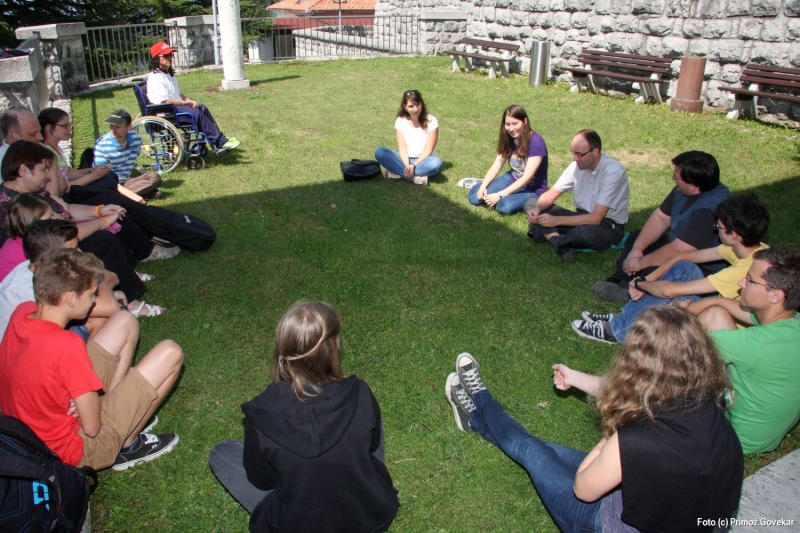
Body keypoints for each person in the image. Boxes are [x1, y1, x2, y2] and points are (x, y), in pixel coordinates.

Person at [446, 306, 743, 533]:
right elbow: (640, 394)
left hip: (603, 522)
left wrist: (611, 436)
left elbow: (583, 489)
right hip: (667, 509)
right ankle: (475, 420)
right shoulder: (706, 402)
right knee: (546, 451)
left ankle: (481, 399)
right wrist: (575, 378)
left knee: (532, 451)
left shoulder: (635, 441)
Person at [209, 301, 399, 533]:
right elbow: (372, 446)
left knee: (221, 452)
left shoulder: (261, 414)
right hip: (368, 517)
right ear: (333, 348)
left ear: (282, 352)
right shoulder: (359, 391)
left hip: (297, 524)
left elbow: (263, 481)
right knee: (368, 423)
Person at [0, 247, 184, 470]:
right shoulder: (66, 345)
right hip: (76, 450)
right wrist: (85, 404)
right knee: (171, 352)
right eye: (91, 295)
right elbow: (92, 428)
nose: (94, 300)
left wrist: (77, 399)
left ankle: (124, 412)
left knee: (125, 321)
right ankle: (128, 444)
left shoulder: (23, 312)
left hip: (32, 435)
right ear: (71, 299)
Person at [572, 193, 769, 344]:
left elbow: (669, 290)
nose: (715, 230)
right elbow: (683, 256)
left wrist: (640, 284)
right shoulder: (747, 249)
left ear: (734, 234)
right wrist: (648, 279)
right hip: (721, 308)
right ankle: (623, 318)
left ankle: (617, 332)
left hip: (726, 327)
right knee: (684, 268)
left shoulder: (745, 269)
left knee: (678, 283)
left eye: (718, 227)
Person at [0, 141, 166, 317]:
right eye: (44, 169)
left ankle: (124, 277)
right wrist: (103, 221)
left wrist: (99, 211)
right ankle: (129, 300)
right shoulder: (14, 205)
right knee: (102, 240)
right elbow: (57, 239)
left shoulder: (31, 194)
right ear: (23, 171)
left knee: (104, 216)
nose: (48, 175)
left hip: (50, 256)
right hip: (41, 269)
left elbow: (65, 209)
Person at [678, 248, 800, 454]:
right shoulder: (791, 323)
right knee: (715, 314)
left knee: (672, 368)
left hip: (731, 437)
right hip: (764, 436)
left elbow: (670, 341)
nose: (741, 283)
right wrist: (712, 301)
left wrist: (678, 313)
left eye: (750, 280)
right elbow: (722, 303)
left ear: (775, 295)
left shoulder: (754, 344)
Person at [593, 151, 731, 302]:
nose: (673, 179)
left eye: (676, 177)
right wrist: (637, 249)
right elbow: (661, 217)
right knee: (637, 237)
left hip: (701, 266)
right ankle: (622, 279)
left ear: (693, 186)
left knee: (662, 268)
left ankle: (635, 290)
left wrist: (641, 262)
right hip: (678, 246)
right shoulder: (683, 189)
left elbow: (679, 251)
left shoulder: (709, 210)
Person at [524, 130, 629, 262]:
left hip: (606, 225)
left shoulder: (613, 172)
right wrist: (537, 209)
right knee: (532, 203)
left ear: (595, 152)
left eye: (579, 154)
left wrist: (555, 221)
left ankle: (549, 234)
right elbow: (551, 193)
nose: (575, 158)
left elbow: (596, 218)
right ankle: (560, 243)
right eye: (573, 153)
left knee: (584, 233)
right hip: (580, 217)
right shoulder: (577, 166)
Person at [146, 42, 240, 154]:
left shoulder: (168, 75)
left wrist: (188, 100)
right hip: (165, 111)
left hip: (173, 107)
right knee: (196, 114)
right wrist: (185, 103)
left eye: (171, 55)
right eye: (166, 56)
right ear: (157, 58)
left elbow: (177, 94)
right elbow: (166, 100)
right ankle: (220, 142)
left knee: (202, 108)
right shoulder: (156, 78)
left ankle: (219, 138)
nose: (170, 58)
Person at [464, 104, 548, 215]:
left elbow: (527, 178)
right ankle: (481, 183)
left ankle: (502, 193)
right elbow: (497, 165)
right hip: (512, 178)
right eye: (507, 124)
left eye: (515, 123)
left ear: (525, 121)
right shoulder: (508, 138)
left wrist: (500, 194)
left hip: (532, 188)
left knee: (503, 206)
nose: (511, 129)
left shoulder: (536, 143)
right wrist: (483, 186)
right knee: (474, 197)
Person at [38, 107, 120, 192]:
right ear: (49, 128)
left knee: (109, 177)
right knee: (108, 182)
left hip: (71, 189)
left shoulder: (55, 148)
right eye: (65, 126)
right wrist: (93, 176)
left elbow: (68, 173)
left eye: (69, 125)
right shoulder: (46, 154)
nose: (69, 129)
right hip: (67, 195)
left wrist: (91, 170)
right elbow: (62, 189)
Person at [374, 89, 442, 187]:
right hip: (404, 159)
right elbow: (402, 148)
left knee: (436, 163)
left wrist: (413, 165)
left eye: (418, 105)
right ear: (405, 106)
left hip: (424, 160)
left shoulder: (431, 121)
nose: (415, 109)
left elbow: (428, 151)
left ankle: (398, 173)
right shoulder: (400, 121)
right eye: (411, 106)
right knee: (380, 152)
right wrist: (407, 165)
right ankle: (413, 178)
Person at [93, 109, 163, 199]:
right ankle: (128, 195)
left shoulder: (136, 139)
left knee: (155, 178)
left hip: (126, 181)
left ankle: (120, 196)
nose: (113, 130)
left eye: (117, 127)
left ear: (129, 127)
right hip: (108, 183)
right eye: (111, 126)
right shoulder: (102, 144)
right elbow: (102, 176)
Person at [0, 193, 51, 281]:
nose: (55, 220)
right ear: (34, 223)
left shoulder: (18, 240)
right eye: (49, 218)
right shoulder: (26, 250)